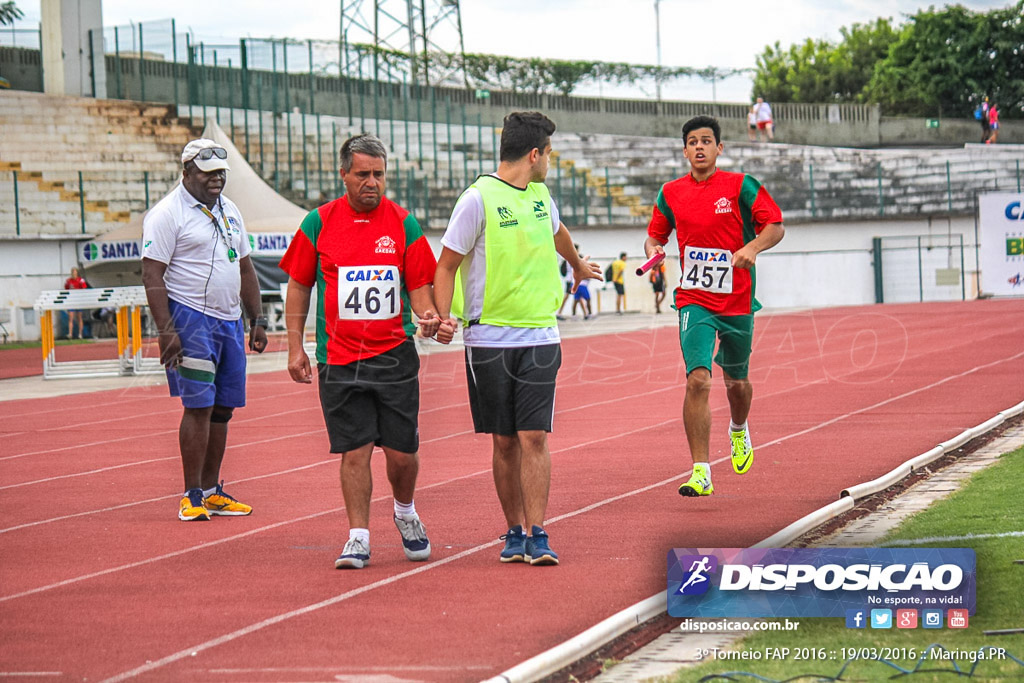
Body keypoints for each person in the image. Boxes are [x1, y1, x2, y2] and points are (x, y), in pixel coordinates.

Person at [434, 111, 602, 566]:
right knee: (504, 439)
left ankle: (538, 531)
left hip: (541, 335)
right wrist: (443, 316)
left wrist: (578, 263)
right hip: (487, 339)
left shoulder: (543, 196)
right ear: (534, 154)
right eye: (549, 153)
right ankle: (513, 530)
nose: (551, 161)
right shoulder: (477, 200)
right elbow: (447, 264)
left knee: (534, 435)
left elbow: (558, 233)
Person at [279, 134, 452, 570]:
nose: (372, 182)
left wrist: (430, 318)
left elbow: (419, 289)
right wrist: (295, 346)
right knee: (353, 450)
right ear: (344, 175)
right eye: (363, 174)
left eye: (379, 174)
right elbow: (299, 285)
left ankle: (405, 510)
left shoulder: (403, 224)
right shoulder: (317, 224)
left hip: (393, 355)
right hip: (339, 358)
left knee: (402, 454)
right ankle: (357, 536)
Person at [644, 115, 784, 498]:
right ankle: (700, 471)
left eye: (707, 141)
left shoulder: (741, 186)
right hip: (694, 298)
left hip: (737, 297)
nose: (700, 147)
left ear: (719, 148)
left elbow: (775, 225)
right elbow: (655, 235)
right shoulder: (671, 192)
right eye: (693, 141)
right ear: (685, 149)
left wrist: (751, 248)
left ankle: (738, 429)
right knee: (698, 379)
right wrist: (654, 250)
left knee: (736, 382)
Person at [142, 139, 267, 521]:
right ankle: (192, 493)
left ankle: (212, 491)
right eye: (208, 173)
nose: (216, 180)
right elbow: (152, 273)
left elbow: (245, 267)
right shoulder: (166, 214)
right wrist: (166, 329)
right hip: (190, 317)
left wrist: (257, 318)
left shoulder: (231, 211)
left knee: (224, 407)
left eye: (221, 173)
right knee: (199, 405)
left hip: (229, 320)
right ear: (187, 173)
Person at [63, 267, 89, 339]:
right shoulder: (68, 281)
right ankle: (70, 334)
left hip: (79, 300)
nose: (74, 274)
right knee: (70, 317)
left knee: (79, 317)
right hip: (71, 300)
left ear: (77, 273)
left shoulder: (81, 280)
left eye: (75, 272)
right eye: (73, 272)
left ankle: (80, 334)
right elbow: (66, 289)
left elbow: (84, 288)